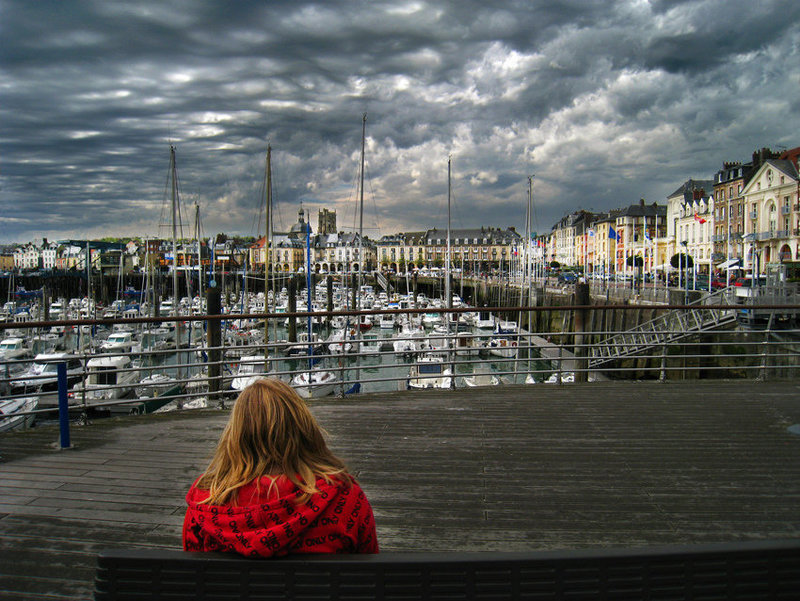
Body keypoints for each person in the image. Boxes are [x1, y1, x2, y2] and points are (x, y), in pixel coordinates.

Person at [182, 378, 378, 557]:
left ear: (236, 434)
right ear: (303, 427)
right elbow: (369, 569)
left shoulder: (204, 503)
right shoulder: (345, 499)